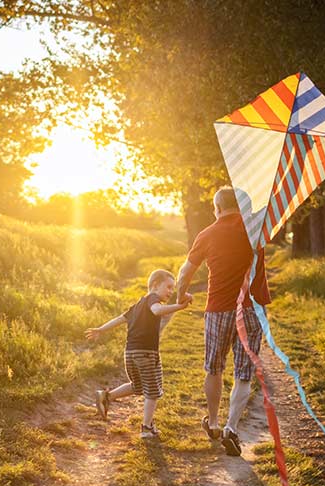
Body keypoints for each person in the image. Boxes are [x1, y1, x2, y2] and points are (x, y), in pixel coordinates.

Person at [176, 186, 271, 456]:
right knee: (243, 373)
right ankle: (231, 428)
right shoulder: (257, 231)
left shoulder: (206, 234)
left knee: (214, 368)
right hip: (251, 311)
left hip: (217, 309)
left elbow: (185, 274)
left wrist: (182, 297)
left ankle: (214, 423)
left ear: (216, 207)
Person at [85, 269, 192, 438]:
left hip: (130, 352)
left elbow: (120, 319)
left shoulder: (137, 305)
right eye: (169, 287)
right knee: (153, 391)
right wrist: (179, 307)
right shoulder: (153, 299)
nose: (171, 291)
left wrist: (101, 329)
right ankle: (146, 427)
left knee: (138, 386)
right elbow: (157, 311)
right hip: (146, 353)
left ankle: (106, 396)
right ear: (155, 285)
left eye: (173, 288)